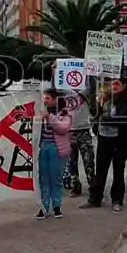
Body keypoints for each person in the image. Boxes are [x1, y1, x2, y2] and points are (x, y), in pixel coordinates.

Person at [84, 79, 127, 212]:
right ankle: (95, 199)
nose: (114, 86)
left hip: (120, 141)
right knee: (100, 171)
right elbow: (94, 114)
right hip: (104, 139)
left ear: (124, 86)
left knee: (118, 171)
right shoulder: (105, 99)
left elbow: (122, 118)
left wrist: (104, 118)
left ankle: (117, 200)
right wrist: (97, 105)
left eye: (117, 83)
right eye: (112, 83)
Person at [36, 89, 74, 219]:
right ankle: (44, 207)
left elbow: (63, 128)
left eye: (47, 98)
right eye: (44, 98)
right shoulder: (40, 112)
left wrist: (49, 117)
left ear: (55, 99)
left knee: (56, 179)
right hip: (42, 148)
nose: (45, 100)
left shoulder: (65, 113)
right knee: (43, 178)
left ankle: (57, 206)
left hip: (57, 149)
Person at [64, 89, 95, 198]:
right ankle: (75, 186)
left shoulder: (85, 87)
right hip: (69, 131)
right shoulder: (63, 89)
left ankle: (93, 187)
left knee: (89, 161)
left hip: (84, 129)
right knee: (71, 162)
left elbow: (91, 86)